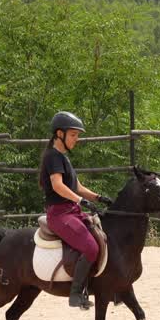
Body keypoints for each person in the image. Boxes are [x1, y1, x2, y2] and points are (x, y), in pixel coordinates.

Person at [39, 111, 112, 309]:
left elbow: (77, 186)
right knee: (90, 247)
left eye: (77, 135)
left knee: (103, 233)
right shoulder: (52, 157)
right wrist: (81, 201)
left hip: (71, 211)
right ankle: (75, 294)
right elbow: (57, 185)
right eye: (73, 135)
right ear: (59, 134)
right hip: (59, 214)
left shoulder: (63, 157)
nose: (76, 139)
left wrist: (99, 198)